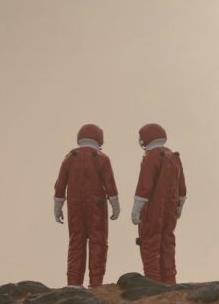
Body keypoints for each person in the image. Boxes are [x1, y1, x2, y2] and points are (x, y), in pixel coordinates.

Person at [53, 124, 121, 287]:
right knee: (98, 242)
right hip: (97, 207)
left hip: (75, 207)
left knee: (76, 242)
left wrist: (58, 207)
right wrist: (115, 205)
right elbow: (110, 184)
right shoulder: (102, 158)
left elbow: (60, 185)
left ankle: (73, 283)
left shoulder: (70, 157)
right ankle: (95, 283)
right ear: (99, 138)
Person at [130, 123, 187, 285]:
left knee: (150, 245)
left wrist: (136, 210)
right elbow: (182, 188)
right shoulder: (174, 157)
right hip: (170, 211)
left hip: (152, 210)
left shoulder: (151, 157)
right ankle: (170, 281)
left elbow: (144, 186)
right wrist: (179, 207)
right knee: (167, 244)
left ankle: (153, 283)